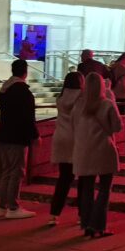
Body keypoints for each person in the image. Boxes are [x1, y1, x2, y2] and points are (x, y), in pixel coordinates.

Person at [73, 72, 122, 238]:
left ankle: (86, 223)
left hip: (84, 150)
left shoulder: (79, 106)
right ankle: (98, 225)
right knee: (104, 189)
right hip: (103, 149)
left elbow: (74, 126)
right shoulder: (106, 104)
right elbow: (117, 126)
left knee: (86, 189)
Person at [0, 59, 39, 219]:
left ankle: (1, 206)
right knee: (16, 171)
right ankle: (13, 207)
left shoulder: (5, 89)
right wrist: (35, 136)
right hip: (17, 136)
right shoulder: (23, 92)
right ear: (25, 72)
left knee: (6, 171)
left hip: (3, 134)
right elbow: (28, 117)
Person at [48, 72, 84, 227]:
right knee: (83, 180)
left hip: (61, 137)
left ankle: (54, 214)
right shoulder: (82, 98)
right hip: (77, 139)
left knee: (64, 179)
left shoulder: (60, 98)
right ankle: (82, 214)